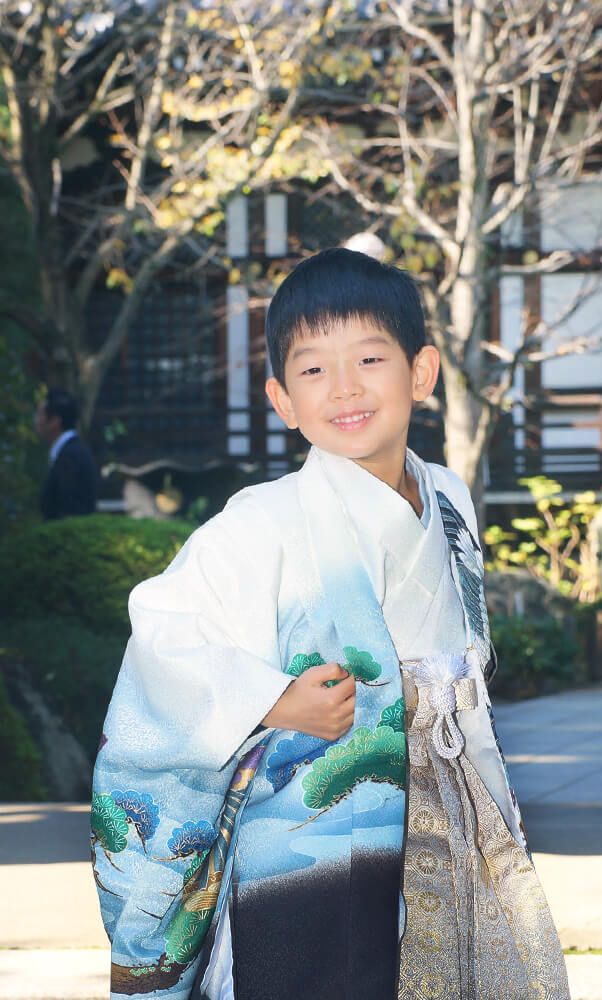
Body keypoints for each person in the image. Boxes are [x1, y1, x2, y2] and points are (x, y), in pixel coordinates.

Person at [92, 249, 570, 1000]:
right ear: (282, 399)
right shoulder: (263, 522)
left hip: (453, 796)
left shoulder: (447, 500)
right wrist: (272, 700)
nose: (344, 388)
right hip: (313, 823)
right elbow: (163, 636)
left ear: (421, 373)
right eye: (313, 370)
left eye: (369, 359)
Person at [34, 388, 97, 519]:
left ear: (55, 422)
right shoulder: (68, 451)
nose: (36, 421)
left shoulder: (71, 456)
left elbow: (70, 510)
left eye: (40, 415)